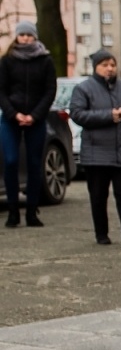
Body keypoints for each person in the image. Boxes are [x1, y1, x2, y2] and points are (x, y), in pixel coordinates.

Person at [70, 49, 121, 247]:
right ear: (96, 67)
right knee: (98, 195)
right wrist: (108, 116)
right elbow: (77, 114)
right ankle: (101, 234)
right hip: (96, 153)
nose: (110, 69)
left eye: (112, 65)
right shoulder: (83, 89)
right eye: (105, 65)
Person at [0, 20, 56, 229]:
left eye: (29, 35)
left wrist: (34, 115)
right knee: (11, 160)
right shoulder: (7, 60)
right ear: (17, 36)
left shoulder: (45, 60)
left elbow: (50, 90)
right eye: (22, 35)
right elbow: (1, 91)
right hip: (10, 118)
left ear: (35, 36)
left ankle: (32, 211)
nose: (25, 38)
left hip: (36, 118)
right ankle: (13, 210)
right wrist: (14, 114)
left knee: (34, 163)